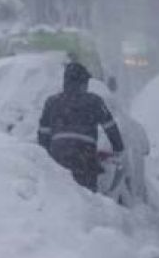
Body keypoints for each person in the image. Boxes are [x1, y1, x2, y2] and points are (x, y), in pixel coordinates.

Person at [38, 62, 124, 192]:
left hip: (58, 154)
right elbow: (110, 127)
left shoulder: (52, 102)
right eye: (86, 83)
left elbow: (43, 133)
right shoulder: (94, 101)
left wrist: (46, 154)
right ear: (82, 83)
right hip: (84, 155)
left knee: (58, 192)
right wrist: (118, 148)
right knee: (86, 195)